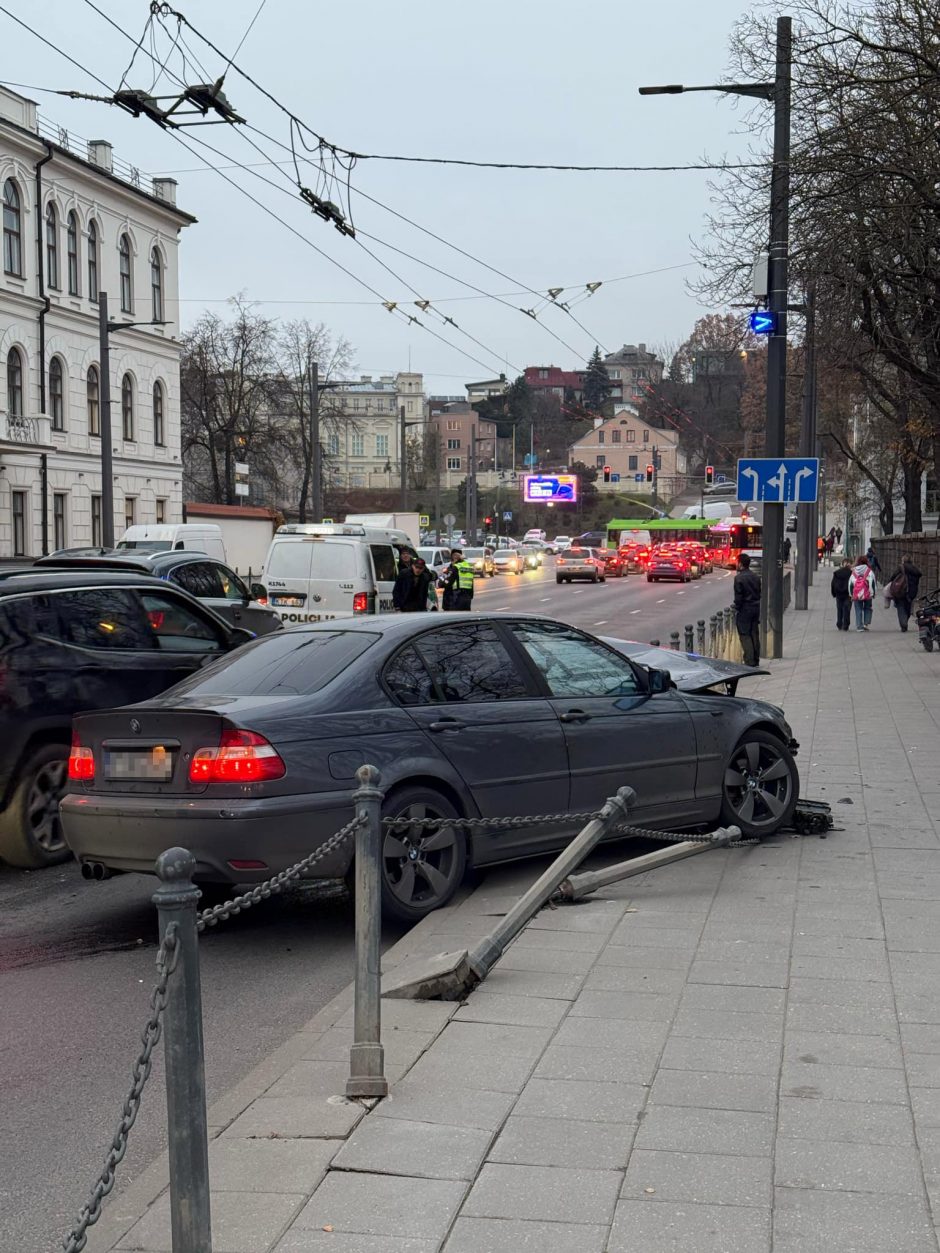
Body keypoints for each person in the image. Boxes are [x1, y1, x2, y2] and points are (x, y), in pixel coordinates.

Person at [733, 552, 761, 667]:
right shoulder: (755, 577)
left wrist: (737, 608)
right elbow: (760, 592)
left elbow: (738, 597)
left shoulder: (738, 578)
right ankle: (756, 658)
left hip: (745, 609)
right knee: (754, 633)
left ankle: (749, 661)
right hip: (755, 608)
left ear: (740, 564)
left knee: (745, 634)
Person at [885, 554, 922, 632]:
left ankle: (903, 624)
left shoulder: (900, 567)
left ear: (903, 560)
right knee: (908, 608)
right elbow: (918, 578)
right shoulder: (915, 570)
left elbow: (893, 576)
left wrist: (890, 583)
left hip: (900, 590)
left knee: (900, 607)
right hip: (911, 592)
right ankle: (905, 621)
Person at [849, 555, 876, 630]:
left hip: (857, 594)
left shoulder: (854, 571)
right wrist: (873, 593)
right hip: (868, 593)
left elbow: (850, 584)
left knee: (858, 609)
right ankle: (865, 624)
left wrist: (851, 594)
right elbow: (873, 582)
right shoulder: (869, 571)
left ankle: (859, 626)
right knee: (868, 608)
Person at [831, 557, 853, 631]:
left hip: (839, 594)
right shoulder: (851, 573)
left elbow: (833, 584)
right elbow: (853, 584)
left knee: (839, 609)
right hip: (848, 594)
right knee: (847, 609)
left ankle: (839, 623)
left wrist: (834, 593)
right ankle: (846, 624)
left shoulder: (837, 572)